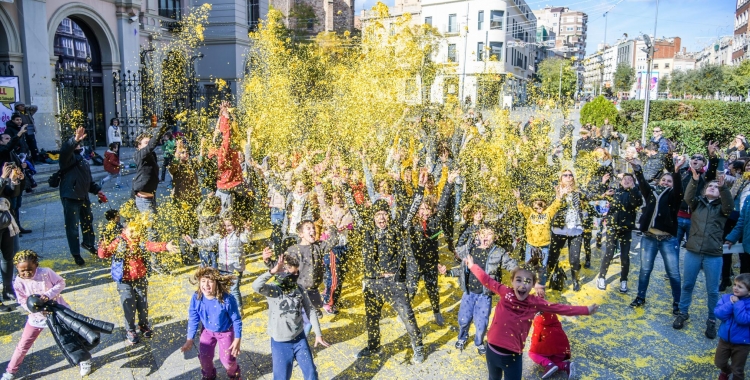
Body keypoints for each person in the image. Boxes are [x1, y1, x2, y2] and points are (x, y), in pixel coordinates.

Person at [466, 257, 597, 380]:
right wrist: (472, 266)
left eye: (527, 282)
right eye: (518, 280)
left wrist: (585, 310)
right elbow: (487, 280)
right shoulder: (505, 292)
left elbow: (559, 308)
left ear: (533, 285)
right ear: (512, 281)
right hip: (492, 352)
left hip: (513, 358)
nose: (522, 285)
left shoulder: (535, 302)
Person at [342, 171, 426, 363]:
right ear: (373, 217)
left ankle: (418, 347)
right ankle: (374, 347)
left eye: (384, 214)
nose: (381, 218)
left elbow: (411, 210)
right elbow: (354, 209)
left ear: (388, 215)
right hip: (372, 282)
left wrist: (420, 188)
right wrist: (346, 187)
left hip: (394, 283)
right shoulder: (367, 230)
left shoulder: (396, 228)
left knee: (408, 317)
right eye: (377, 215)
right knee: (372, 320)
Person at [2, 250, 91, 379]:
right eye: (23, 271)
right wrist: (34, 309)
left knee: (71, 338)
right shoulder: (18, 282)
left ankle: (84, 360)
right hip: (36, 318)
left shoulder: (46, 272)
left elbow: (61, 282)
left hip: (57, 313)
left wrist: (48, 295)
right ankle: (10, 371)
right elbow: (21, 300)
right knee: (23, 344)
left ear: (36, 265)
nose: (26, 273)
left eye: (30, 270)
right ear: (17, 268)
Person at [439, 225, 519, 354]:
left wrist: (520, 274)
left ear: (495, 237)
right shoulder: (470, 250)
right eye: (483, 233)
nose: (485, 236)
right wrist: (447, 272)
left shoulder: (499, 252)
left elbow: (511, 264)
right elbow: (461, 269)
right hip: (469, 293)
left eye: (489, 234)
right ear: (477, 235)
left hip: (484, 295)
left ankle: (479, 341)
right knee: (463, 319)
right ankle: (462, 337)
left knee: (481, 323)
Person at [673, 170, 732, 339]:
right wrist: (694, 179)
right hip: (693, 252)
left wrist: (724, 189)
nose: (713, 188)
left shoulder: (722, 207)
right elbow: (687, 197)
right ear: (704, 190)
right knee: (687, 285)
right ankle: (683, 312)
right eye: (710, 186)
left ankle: (712, 320)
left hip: (713, 254)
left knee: (712, 290)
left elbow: (730, 206)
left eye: (716, 186)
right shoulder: (697, 204)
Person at [98, 218, 176, 344]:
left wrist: (165, 246)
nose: (135, 233)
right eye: (132, 230)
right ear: (124, 230)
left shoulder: (139, 241)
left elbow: (151, 245)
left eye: (137, 230)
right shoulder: (119, 241)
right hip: (124, 280)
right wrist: (103, 244)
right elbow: (103, 254)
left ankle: (144, 325)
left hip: (140, 278)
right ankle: (130, 329)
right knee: (128, 304)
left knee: (143, 304)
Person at [252, 253, 330, 380]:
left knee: (311, 374)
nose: (296, 276)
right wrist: (272, 271)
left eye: (297, 273)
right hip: (280, 343)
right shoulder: (273, 290)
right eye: (292, 274)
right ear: (283, 273)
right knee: (282, 377)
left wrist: (318, 333)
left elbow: (310, 310)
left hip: (300, 339)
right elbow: (256, 286)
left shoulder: (298, 288)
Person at [630, 154, 685, 312]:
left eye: (669, 181)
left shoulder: (674, 196)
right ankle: (640, 297)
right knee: (645, 270)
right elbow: (642, 183)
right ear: (659, 181)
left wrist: (676, 171)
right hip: (649, 238)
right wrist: (637, 168)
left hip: (667, 239)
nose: (666, 182)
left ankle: (677, 303)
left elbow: (679, 190)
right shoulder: (651, 192)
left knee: (673, 272)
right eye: (664, 180)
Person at [180, 267, 242, 380]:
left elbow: (236, 320)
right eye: (203, 281)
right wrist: (190, 339)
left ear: (217, 283)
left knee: (227, 360)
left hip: (225, 332)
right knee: (204, 358)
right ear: (199, 282)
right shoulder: (196, 297)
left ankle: (234, 374)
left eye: (211, 281)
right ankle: (209, 376)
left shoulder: (227, 299)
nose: (206, 285)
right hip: (207, 331)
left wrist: (237, 339)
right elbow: (193, 318)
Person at [184, 212, 250, 310]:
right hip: (223, 267)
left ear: (235, 224)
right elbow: (208, 241)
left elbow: (247, 239)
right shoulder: (220, 235)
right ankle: (225, 306)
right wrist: (193, 242)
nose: (227, 228)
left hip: (236, 267)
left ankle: (239, 309)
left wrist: (247, 230)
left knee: (234, 289)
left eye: (229, 225)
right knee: (223, 289)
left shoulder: (239, 234)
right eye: (225, 225)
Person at [60, 127, 106, 266]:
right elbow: (65, 151)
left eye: (80, 143)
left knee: (87, 222)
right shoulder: (66, 158)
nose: (80, 145)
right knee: (73, 227)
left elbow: (87, 180)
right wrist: (74, 140)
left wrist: (97, 190)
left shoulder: (83, 160)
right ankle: (76, 254)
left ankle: (88, 243)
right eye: (77, 143)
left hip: (83, 196)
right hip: (71, 197)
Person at [597, 173, 642, 292]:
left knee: (625, 256)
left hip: (626, 228)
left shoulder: (635, 192)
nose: (627, 181)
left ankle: (623, 279)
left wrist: (633, 188)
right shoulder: (615, 191)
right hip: (612, 227)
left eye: (630, 179)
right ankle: (601, 276)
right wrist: (603, 185)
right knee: (609, 253)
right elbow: (601, 199)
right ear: (620, 181)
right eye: (625, 179)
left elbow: (637, 202)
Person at [513, 188, 561, 277]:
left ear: (545, 205)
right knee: (528, 266)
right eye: (536, 207)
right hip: (531, 245)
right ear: (532, 206)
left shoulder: (548, 213)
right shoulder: (530, 213)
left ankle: (541, 285)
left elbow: (555, 205)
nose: (538, 210)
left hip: (544, 245)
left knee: (542, 267)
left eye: (541, 207)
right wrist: (518, 199)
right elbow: (522, 208)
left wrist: (558, 196)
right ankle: (528, 283)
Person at [714, 273, 750, 380]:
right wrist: (730, 303)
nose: (735, 288)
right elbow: (719, 314)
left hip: (742, 343)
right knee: (719, 362)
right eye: (734, 285)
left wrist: (738, 304)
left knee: (737, 369)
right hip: (725, 340)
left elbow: (742, 319)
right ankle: (726, 371)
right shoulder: (726, 298)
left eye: (740, 286)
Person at [131, 122, 171, 213]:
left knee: (151, 224)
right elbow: (150, 146)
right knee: (151, 226)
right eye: (146, 143)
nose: (148, 145)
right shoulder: (139, 154)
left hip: (151, 196)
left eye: (149, 142)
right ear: (139, 146)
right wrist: (160, 130)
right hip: (143, 199)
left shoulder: (152, 155)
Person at [528, 311, 575, 379]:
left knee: (531, 353)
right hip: (562, 349)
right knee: (555, 362)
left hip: (549, 347)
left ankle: (548, 364)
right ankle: (566, 366)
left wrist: (533, 346)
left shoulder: (538, 320)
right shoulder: (554, 319)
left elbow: (536, 337)